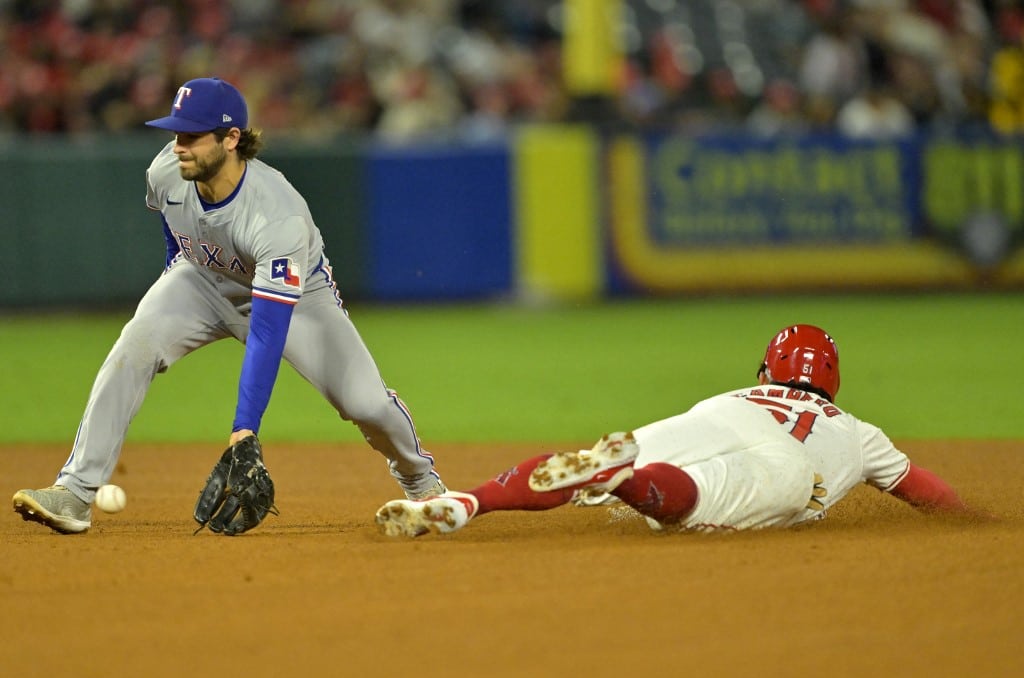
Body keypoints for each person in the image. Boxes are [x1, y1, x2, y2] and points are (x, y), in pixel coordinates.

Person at [13, 77, 445, 535]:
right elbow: (174, 232)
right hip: (201, 280)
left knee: (365, 403)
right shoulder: (166, 172)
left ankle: (423, 483)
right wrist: (170, 284)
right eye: (175, 133)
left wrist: (245, 429)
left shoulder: (278, 216)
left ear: (232, 138)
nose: (179, 146)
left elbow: (267, 329)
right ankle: (76, 492)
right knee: (133, 346)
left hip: (298, 301)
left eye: (192, 136)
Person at [375, 324, 974, 538]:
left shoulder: (738, 391)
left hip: (713, 416)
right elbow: (925, 491)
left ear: (768, 370)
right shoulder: (861, 433)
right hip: (790, 465)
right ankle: (629, 481)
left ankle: (467, 502)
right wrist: (976, 522)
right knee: (692, 498)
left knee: (597, 457)